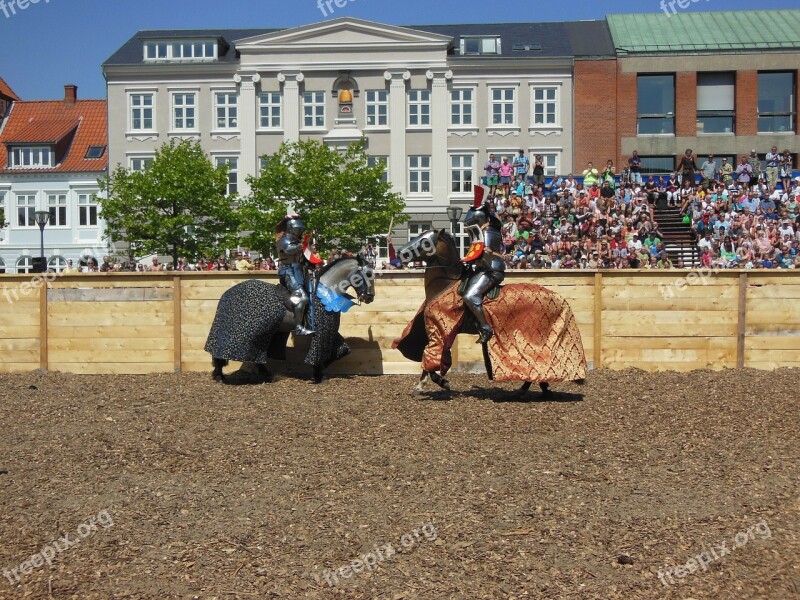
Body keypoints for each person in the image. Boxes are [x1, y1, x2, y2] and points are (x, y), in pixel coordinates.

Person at [460, 186, 505, 344]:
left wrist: (472, 263)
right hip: (483, 268)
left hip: (491, 269)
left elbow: (485, 256)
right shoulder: (480, 232)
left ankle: (486, 328)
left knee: (470, 296)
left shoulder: (489, 232)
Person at [276, 215, 319, 336]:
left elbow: (302, 257)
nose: (299, 232)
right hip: (288, 271)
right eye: (297, 229)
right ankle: (299, 327)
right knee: (303, 298)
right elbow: (289, 250)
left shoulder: (297, 241)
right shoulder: (284, 239)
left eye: (300, 230)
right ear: (291, 228)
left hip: (300, 271)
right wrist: (302, 245)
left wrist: (312, 263)